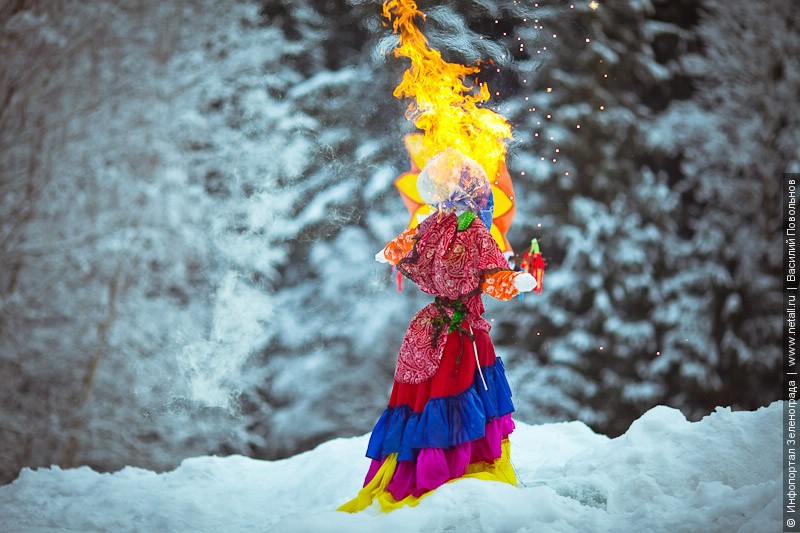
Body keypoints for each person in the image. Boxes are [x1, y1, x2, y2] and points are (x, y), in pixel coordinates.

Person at [338, 149, 537, 513]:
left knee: (452, 394)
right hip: (439, 326)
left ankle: (457, 467)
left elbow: (491, 275)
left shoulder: (473, 231)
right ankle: (427, 470)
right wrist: (392, 252)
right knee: (429, 395)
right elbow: (412, 242)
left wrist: (513, 282)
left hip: (461, 331)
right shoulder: (437, 223)